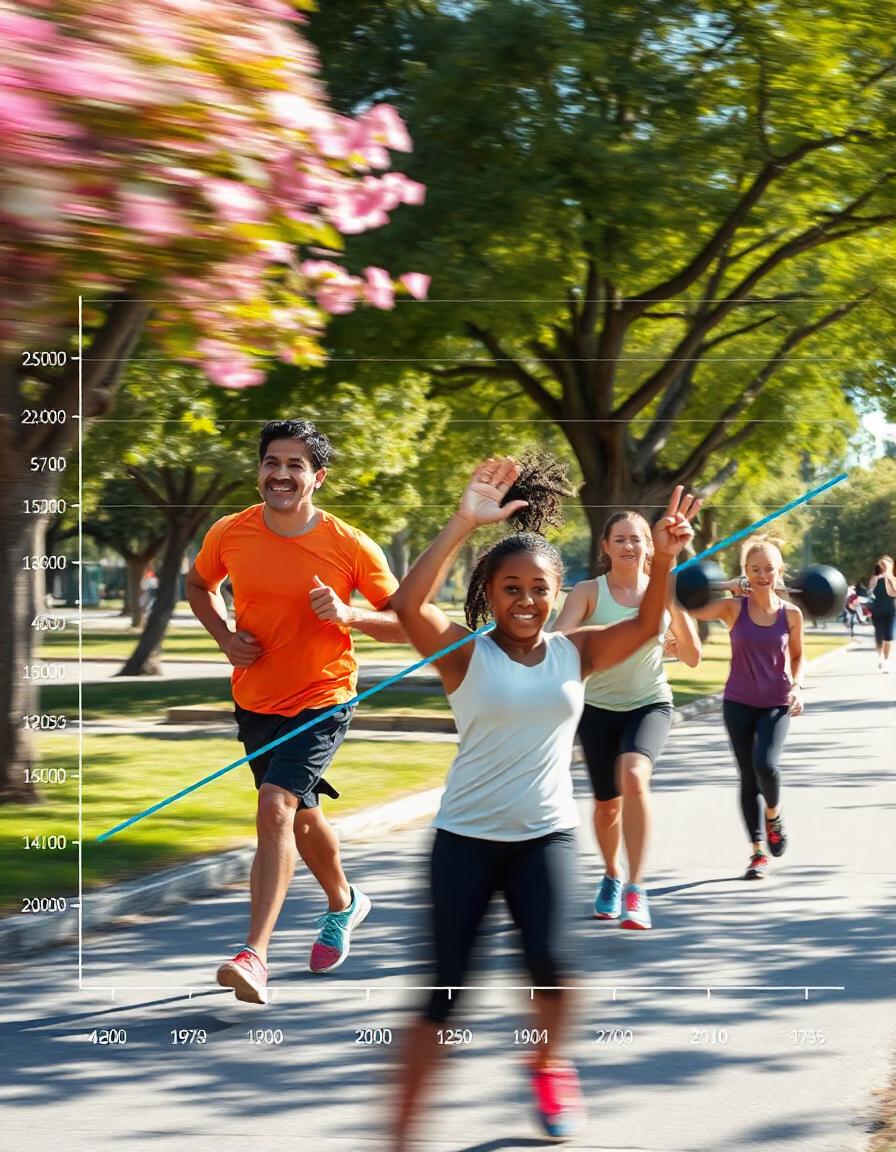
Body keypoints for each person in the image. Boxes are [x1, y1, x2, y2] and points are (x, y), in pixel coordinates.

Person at [388, 454, 697, 1146]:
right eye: (510, 589)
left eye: (538, 589)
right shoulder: (465, 656)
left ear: (558, 595)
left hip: (545, 839)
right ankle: (401, 1132)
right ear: (489, 594)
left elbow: (648, 628)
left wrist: (665, 558)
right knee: (441, 996)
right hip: (465, 840)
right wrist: (464, 522)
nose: (525, 601)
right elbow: (407, 605)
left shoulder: (575, 653)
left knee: (556, 973)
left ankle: (550, 1063)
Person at [186, 419, 406, 1003]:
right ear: (259, 471)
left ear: (318, 477)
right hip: (255, 698)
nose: (280, 475)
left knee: (275, 805)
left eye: (294, 466)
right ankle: (345, 902)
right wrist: (224, 638)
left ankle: (254, 955)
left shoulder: (350, 544)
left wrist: (350, 615)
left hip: (323, 697)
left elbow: (408, 620)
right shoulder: (231, 533)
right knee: (301, 816)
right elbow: (197, 585)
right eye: (271, 463)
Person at [551, 509, 702, 930]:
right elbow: (559, 643)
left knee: (634, 775)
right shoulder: (587, 592)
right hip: (597, 709)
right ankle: (613, 875)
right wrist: (610, 638)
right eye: (620, 539)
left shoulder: (664, 590)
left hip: (649, 703)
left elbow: (692, 658)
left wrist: (675, 623)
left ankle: (637, 886)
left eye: (637, 539)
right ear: (605, 547)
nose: (630, 546)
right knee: (606, 808)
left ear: (649, 545)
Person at [685, 535, 804, 880]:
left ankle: (774, 813)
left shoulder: (791, 614)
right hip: (737, 702)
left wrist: (798, 686)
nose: (762, 575)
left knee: (765, 764)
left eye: (768, 568)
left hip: (776, 703)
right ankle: (756, 853)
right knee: (747, 775)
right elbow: (683, 601)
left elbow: (797, 656)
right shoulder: (731, 607)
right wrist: (724, 584)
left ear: (779, 570)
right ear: (745, 572)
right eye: (754, 569)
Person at [868, 556, 896, 671]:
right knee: (879, 636)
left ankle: (886, 659)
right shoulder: (875, 578)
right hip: (877, 612)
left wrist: (889, 577)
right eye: (883, 565)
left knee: (888, 636)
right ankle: (880, 656)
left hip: (891, 611)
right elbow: (870, 588)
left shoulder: (893, 578)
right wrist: (879, 576)